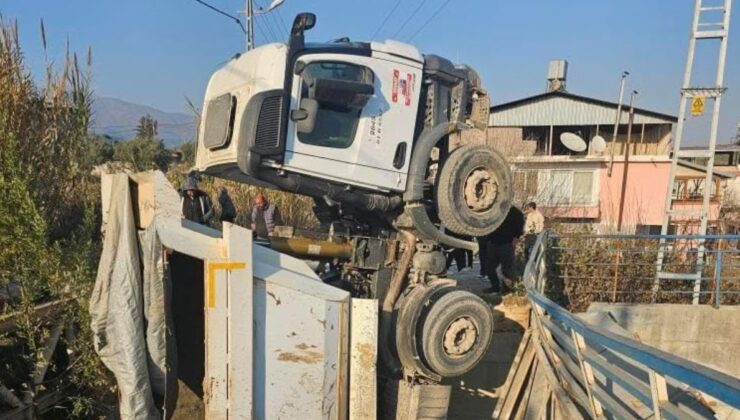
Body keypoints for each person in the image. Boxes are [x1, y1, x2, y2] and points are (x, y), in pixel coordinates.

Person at [482, 206, 525, 294]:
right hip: (493, 241)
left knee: (507, 269)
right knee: (489, 267)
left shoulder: (515, 212)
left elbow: (520, 225)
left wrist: (516, 237)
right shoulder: (493, 209)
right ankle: (495, 287)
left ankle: (508, 289)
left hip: (507, 243)